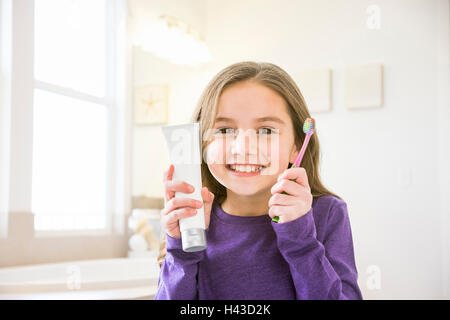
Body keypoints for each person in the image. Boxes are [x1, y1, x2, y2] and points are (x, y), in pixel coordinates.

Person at [154, 61, 363, 300]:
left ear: (296, 146)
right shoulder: (193, 222)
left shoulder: (327, 213)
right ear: (201, 143)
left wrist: (300, 239)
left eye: (265, 131)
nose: (243, 148)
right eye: (224, 130)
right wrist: (181, 251)